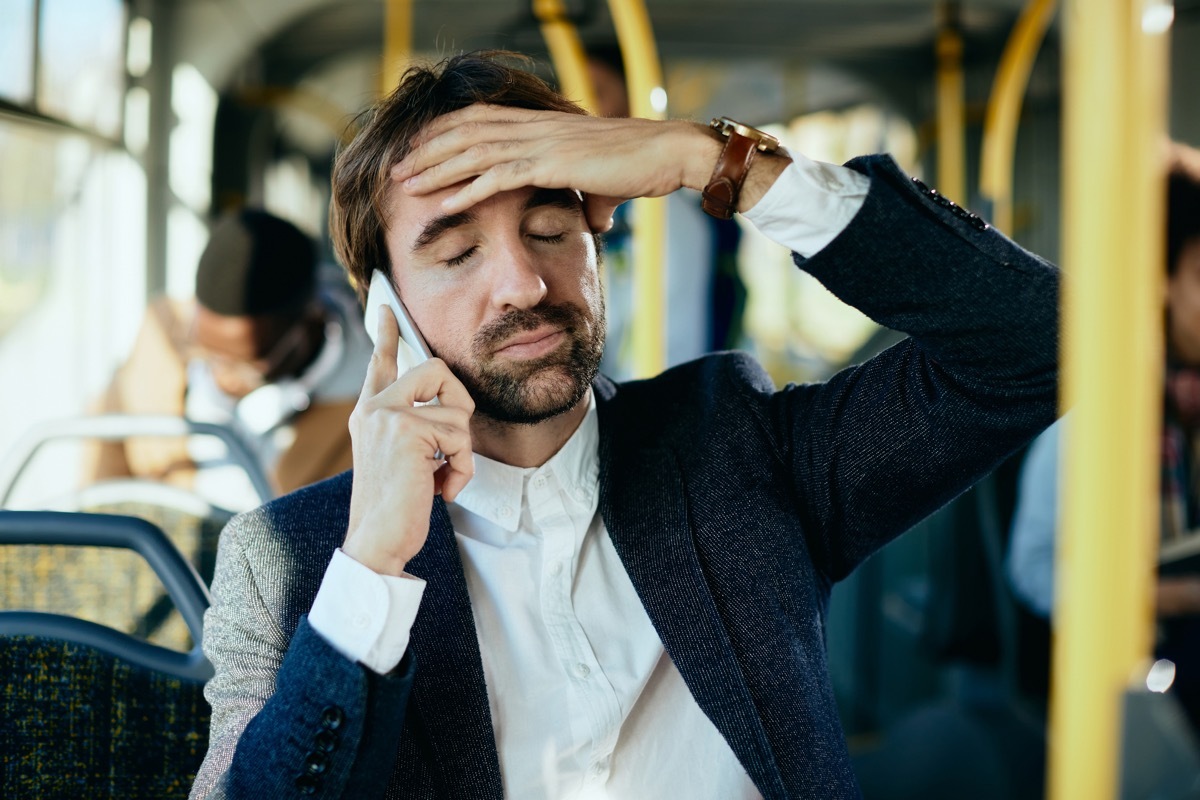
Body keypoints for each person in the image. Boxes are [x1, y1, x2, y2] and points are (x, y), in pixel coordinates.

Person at [190, 51, 1059, 799]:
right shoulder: (289, 562)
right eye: (457, 255)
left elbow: (1038, 343)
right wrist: (374, 564)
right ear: (385, 309)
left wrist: (711, 160)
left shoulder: (737, 448)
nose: (526, 286)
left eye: (550, 229)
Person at [1007, 142, 1200, 732]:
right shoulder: (1098, 416)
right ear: (1162, 282)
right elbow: (1034, 568)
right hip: (1138, 677)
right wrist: (1182, 597)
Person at [85, 208, 374, 510]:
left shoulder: (364, 406)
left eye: (243, 365)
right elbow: (101, 477)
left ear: (307, 328)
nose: (219, 374)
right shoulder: (159, 348)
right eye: (208, 353)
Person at [585, 46, 747, 379]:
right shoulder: (618, 206)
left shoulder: (664, 214)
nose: (582, 108)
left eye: (596, 92)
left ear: (635, 101)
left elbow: (660, 327)